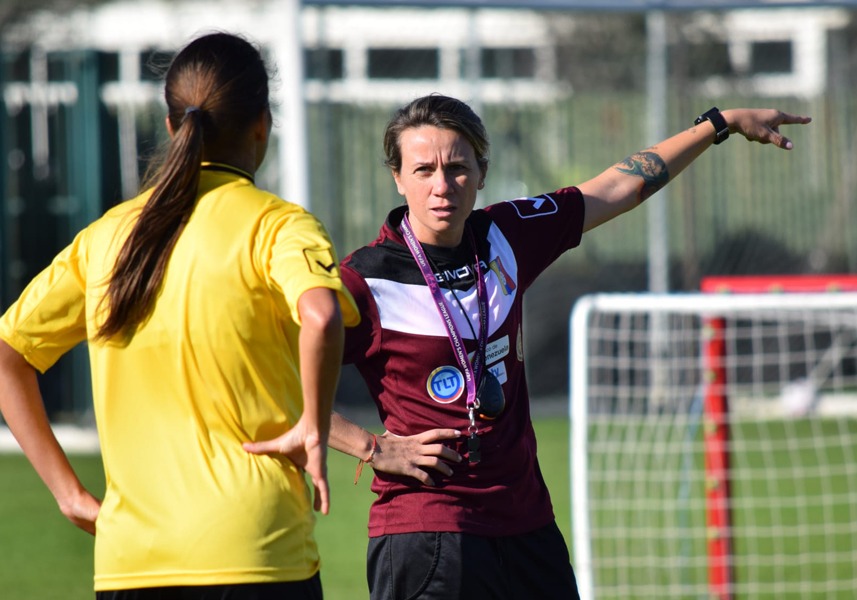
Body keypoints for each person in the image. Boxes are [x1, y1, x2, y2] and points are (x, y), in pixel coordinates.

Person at [243, 95, 812, 599]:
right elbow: (266, 374)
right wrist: (371, 447)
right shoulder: (364, 280)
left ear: (482, 172)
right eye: (423, 170)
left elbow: (619, 185)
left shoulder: (507, 234)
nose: (442, 185)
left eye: (458, 167)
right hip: (427, 532)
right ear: (397, 178)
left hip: (527, 528)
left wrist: (721, 123)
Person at [0, 32, 359, 600]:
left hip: (132, 559)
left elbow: (8, 355)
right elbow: (320, 315)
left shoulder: (106, 237)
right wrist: (313, 427)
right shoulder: (278, 225)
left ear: (171, 126)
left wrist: (68, 493)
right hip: (257, 552)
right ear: (263, 124)